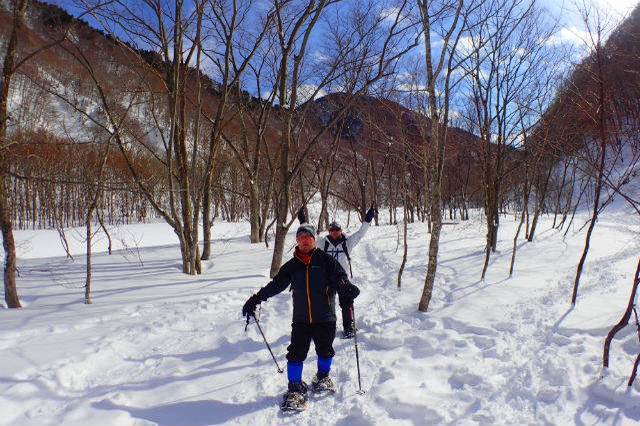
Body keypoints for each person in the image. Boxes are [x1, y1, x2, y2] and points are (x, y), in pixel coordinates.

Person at [242, 223, 360, 411]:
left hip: (325, 317)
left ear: (314, 240)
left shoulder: (326, 261)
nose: (304, 242)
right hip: (301, 319)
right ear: (297, 241)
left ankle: (322, 377)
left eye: (308, 238)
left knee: (325, 350)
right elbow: (276, 285)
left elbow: (340, 278)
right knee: (296, 353)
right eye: (301, 239)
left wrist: (345, 287)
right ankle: (295, 388)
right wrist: (256, 299)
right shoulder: (292, 265)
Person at [298, 206, 376, 339]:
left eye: (337, 230)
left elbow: (360, 233)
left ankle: (348, 327)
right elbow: (311, 235)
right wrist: (303, 221)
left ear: (341, 231)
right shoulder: (323, 243)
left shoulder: (348, 242)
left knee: (347, 302)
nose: (334, 232)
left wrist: (368, 218)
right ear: (329, 231)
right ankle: (326, 328)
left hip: (342, 278)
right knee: (326, 305)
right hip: (326, 278)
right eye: (332, 230)